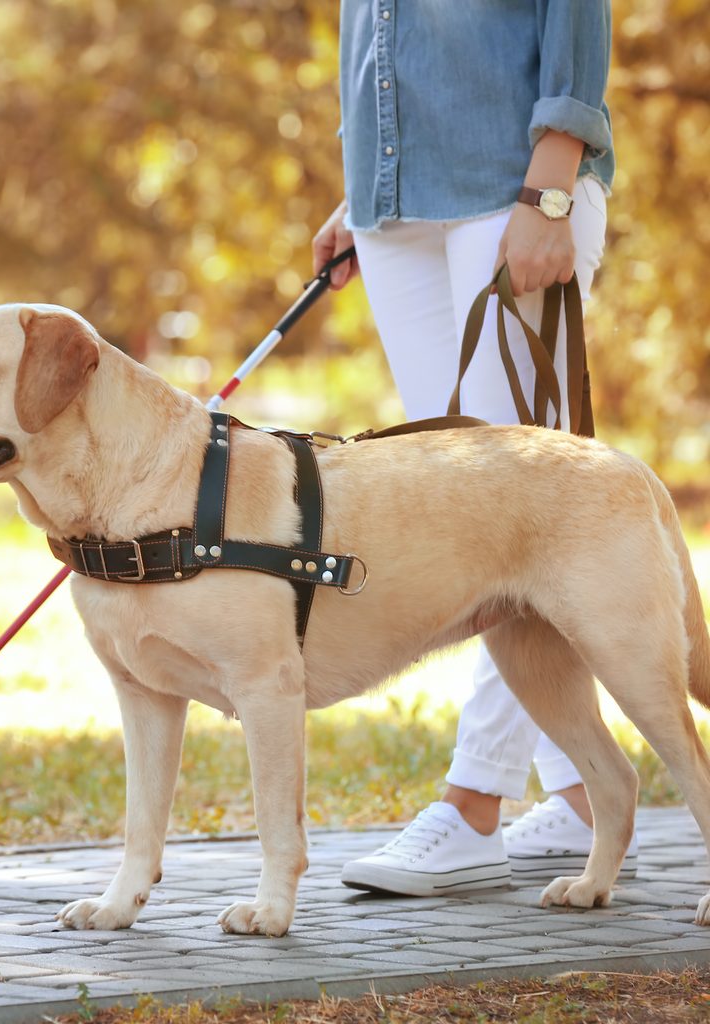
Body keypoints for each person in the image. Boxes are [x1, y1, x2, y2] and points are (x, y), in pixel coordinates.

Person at [312, 0, 637, 897]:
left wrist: (553, 184)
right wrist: (370, 184)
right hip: (396, 206)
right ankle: (578, 794)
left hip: (511, 189)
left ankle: (474, 801)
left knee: (510, 514)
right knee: (463, 512)